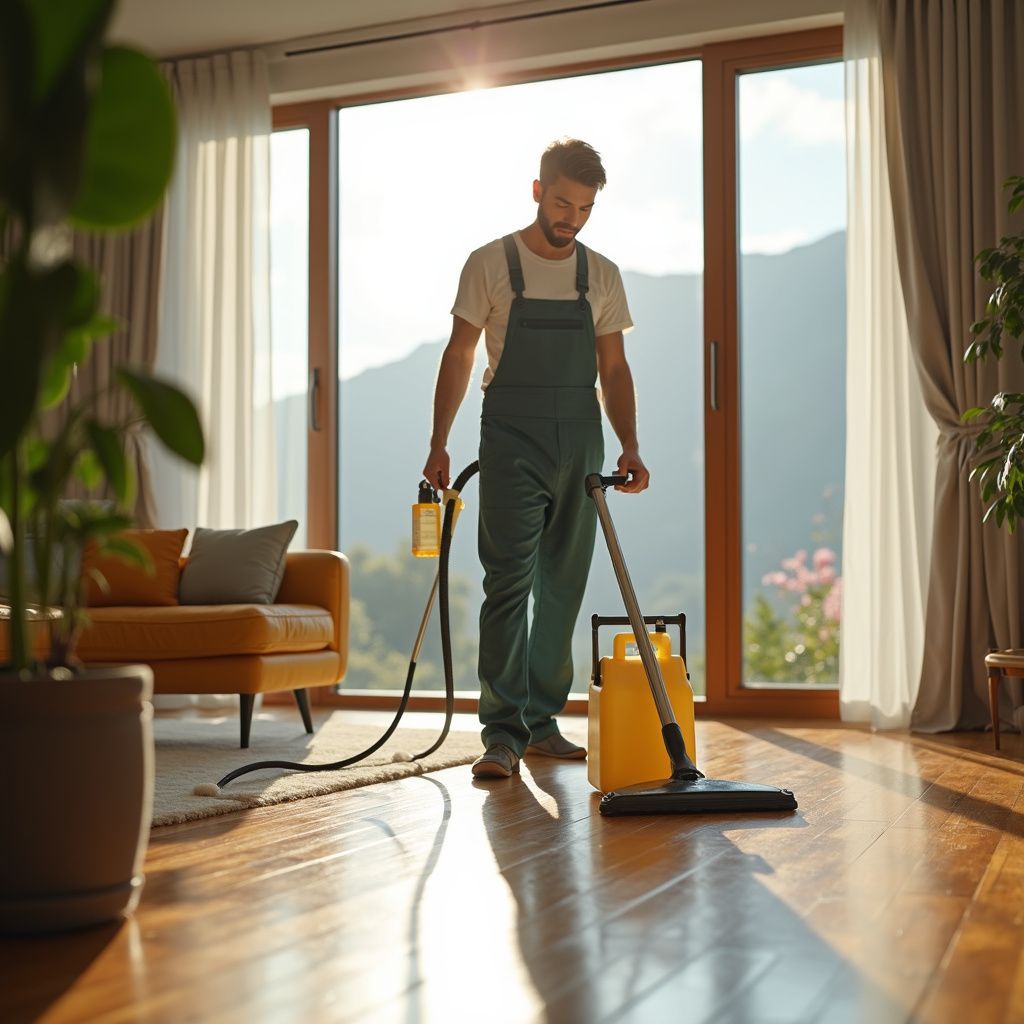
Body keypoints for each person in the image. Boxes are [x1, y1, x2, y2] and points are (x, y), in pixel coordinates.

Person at [422, 138, 649, 779]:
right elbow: (460, 355)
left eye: (583, 208)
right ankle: (501, 732)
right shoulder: (489, 263)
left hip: (580, 438)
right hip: (511, 438)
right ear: (536, 190)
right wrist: (439, 441)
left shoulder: (601, 274)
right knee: (507, 583)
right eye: (561, 202)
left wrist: (630, 445)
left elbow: (614, 366)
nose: (570, 218)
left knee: (562, 588)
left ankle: (542, 722)